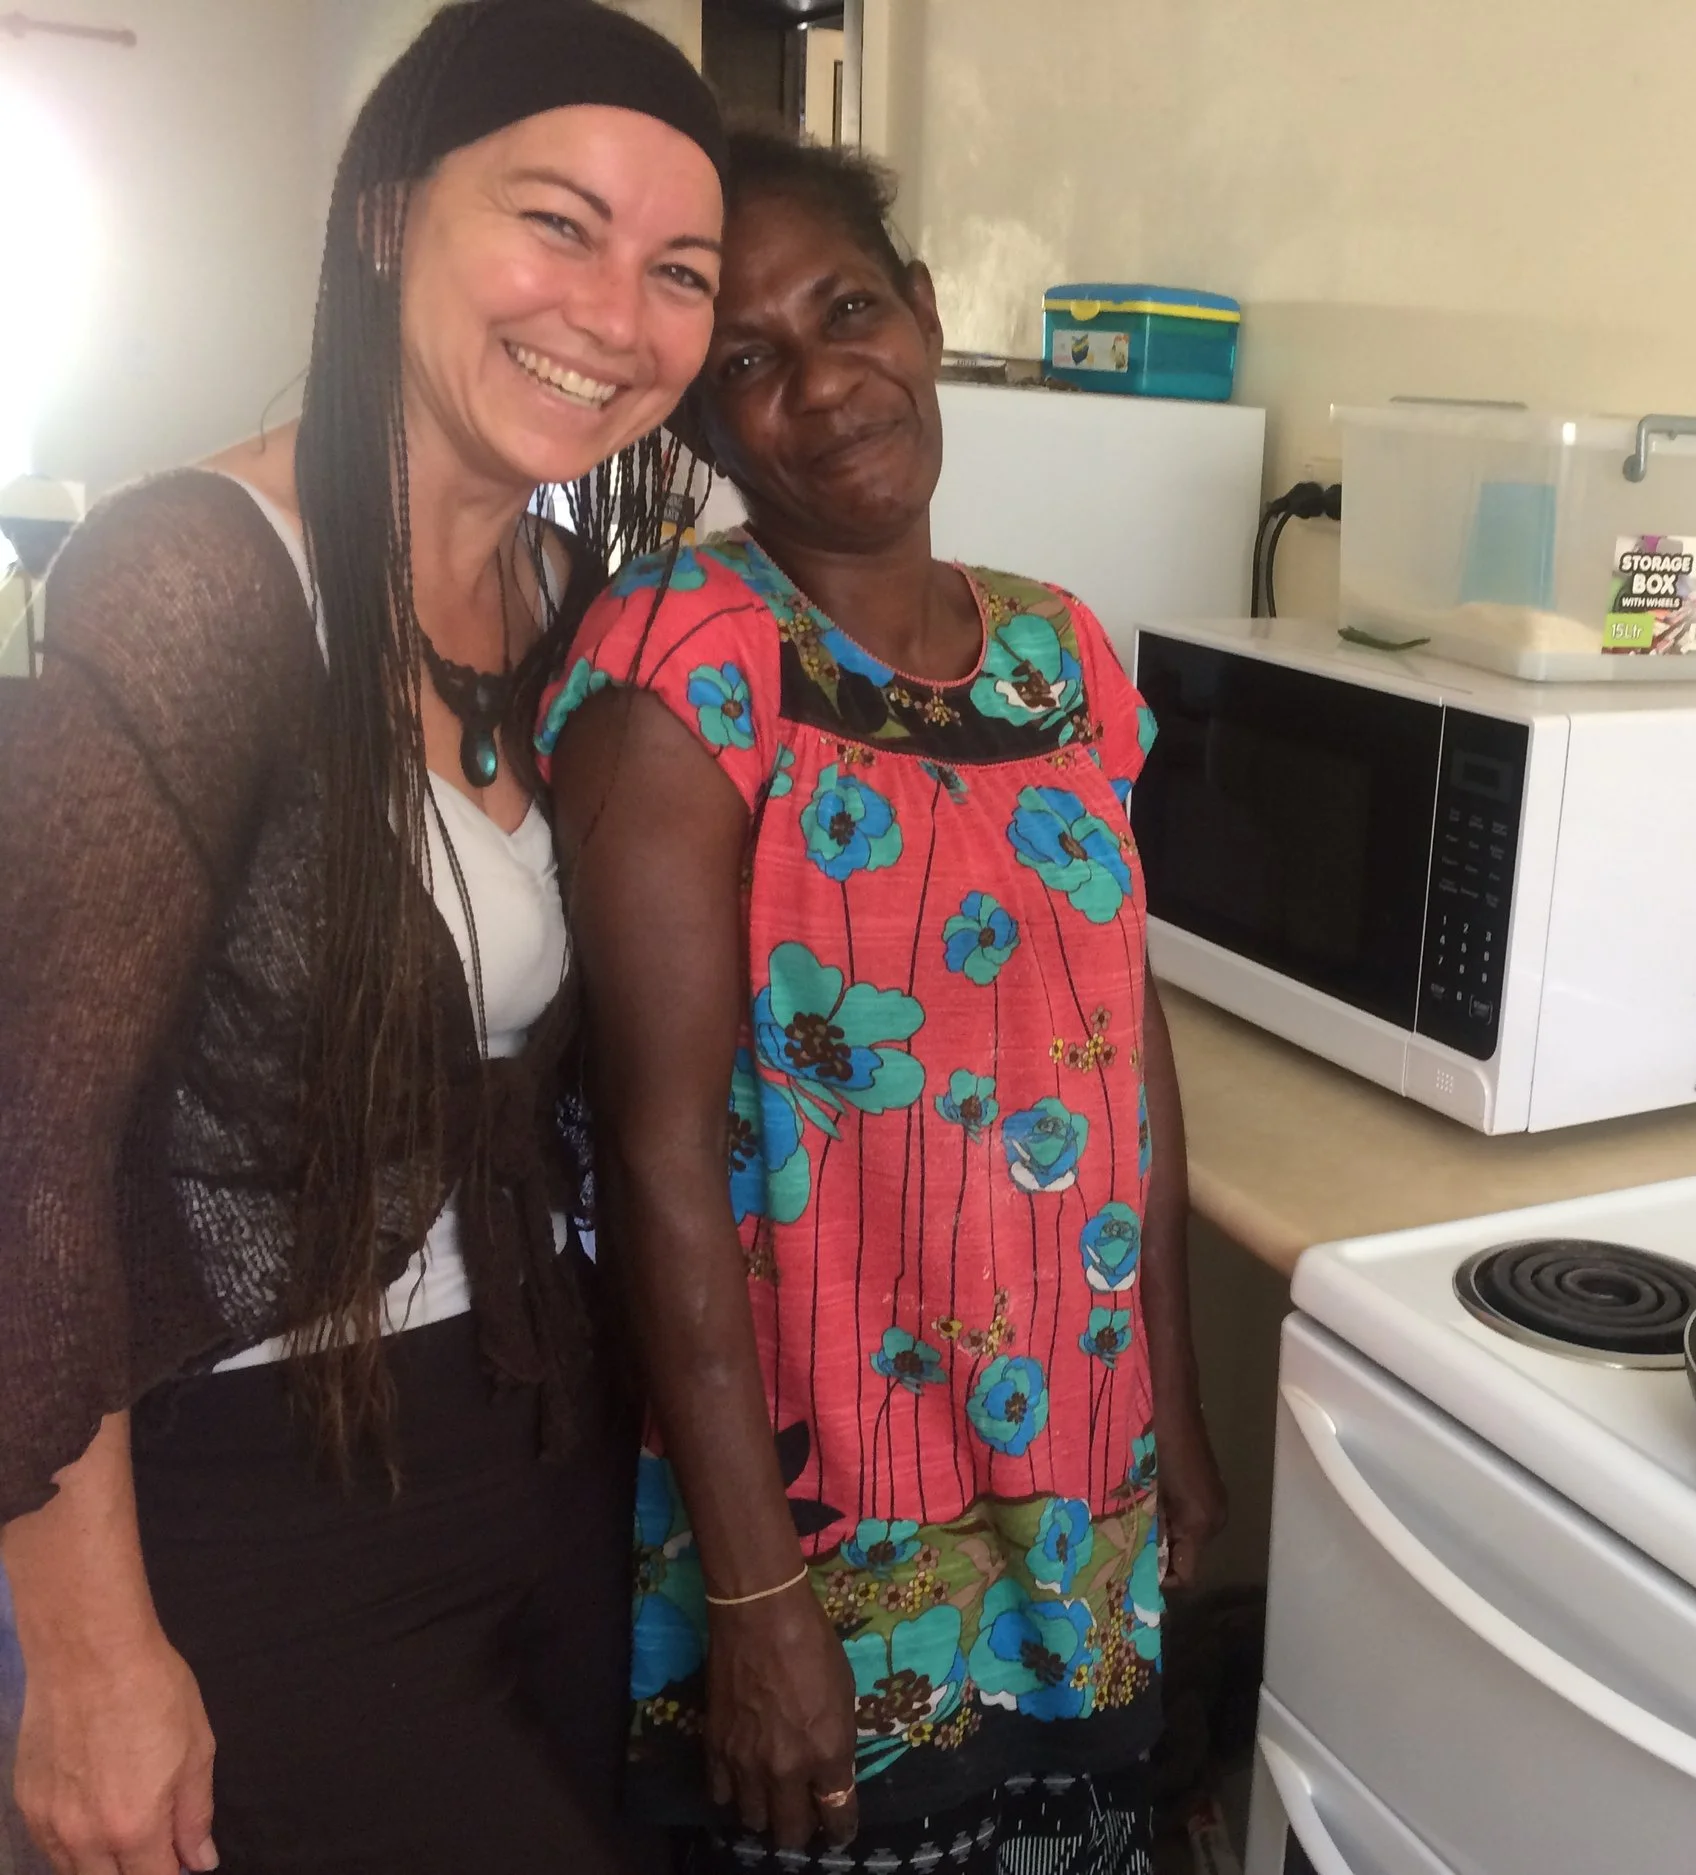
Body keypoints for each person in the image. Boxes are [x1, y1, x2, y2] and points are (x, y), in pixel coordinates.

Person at [0, 6, 725, 1871]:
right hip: (261, 1476)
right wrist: (86, 1653)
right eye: (558, 223)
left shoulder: (569, 599)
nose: (614, 313)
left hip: (541, 1436)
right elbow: (24, 1130)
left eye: (679, 271)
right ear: (392, 216)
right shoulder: (200, 577)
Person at [540, 129, 1227, 1873]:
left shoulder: (1064, 658)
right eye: (749, 359)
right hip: (828, 1536)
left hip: (1078, 1487)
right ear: (701, 427)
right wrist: (757, 1599)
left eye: (849, 310)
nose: (825, 381)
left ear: (922, 314)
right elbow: (656, 1156)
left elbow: (1121, 1048)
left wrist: (1176, 1401)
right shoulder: (683, 663)